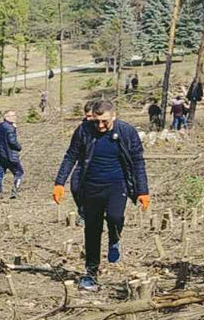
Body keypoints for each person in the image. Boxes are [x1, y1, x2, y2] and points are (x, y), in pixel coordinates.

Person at [54, 99, 150, 292]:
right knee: (92, 229)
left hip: (118, 185)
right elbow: (71, 155)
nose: (100, 126)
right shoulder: (84, 130)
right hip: (90, 186)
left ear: (114, 116)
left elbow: (138, 161)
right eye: (96, 121)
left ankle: (114, 238)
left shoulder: (126, 132)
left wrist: (143, 190)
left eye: (104, 121)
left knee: (115, 217)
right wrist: (59, 182)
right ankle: (91, 273)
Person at [0, 110, 23, 198]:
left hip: (0, 154)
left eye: (15, 115)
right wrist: (19, 147)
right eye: (12, 116)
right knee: (19, 173)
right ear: (6, 117)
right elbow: (12, 142)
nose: (15, 117)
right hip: (11, 155)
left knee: (0, 173)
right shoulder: (10, 128)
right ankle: (15, 191)